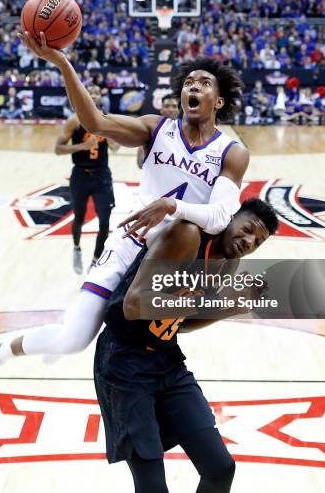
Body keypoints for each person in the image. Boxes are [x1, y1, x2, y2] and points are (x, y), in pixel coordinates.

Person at [0, 33, 249, 401]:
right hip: (131, 244)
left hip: (173, 259)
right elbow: (94, 121)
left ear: (217, 100)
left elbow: (220, 217)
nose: (193, 86)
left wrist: (173, 207)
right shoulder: (156, 128)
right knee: (72, 340)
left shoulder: (232, 152)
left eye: (203, 83)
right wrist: (63, 63)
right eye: (188, 82)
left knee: (158, 340)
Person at [95, 198, 279, 492]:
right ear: (229, 218)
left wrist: (231, 307)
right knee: (153, 487)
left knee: (220, 469)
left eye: (257, 242)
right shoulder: (187, 235)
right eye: (246, 230)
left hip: (167, 360)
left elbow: (183, 320)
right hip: (124, 361)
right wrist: (200, 302)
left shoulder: (229, 263)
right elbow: (133, 305)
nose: (248, 241)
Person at [55, 84, 118, 274]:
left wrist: (111, 136)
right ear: (84, 96)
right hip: (80, 175)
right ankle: (76, 248)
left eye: (97, 92)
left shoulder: (107, 120)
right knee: (79, 218)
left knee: (105, 222)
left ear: (101, 97)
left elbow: (116, 148)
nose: (94, 95)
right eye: (90, 92)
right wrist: (81, 146)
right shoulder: (74, 121)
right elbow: (58, 149)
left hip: (102, 175)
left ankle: (96, 261)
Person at [136, 94, 179, 169]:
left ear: (178, 110)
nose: (171, 109)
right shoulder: (150, 129)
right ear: (161, 110)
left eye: (174, 106)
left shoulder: (185, 131)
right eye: (167, 106)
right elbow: (140, 163)